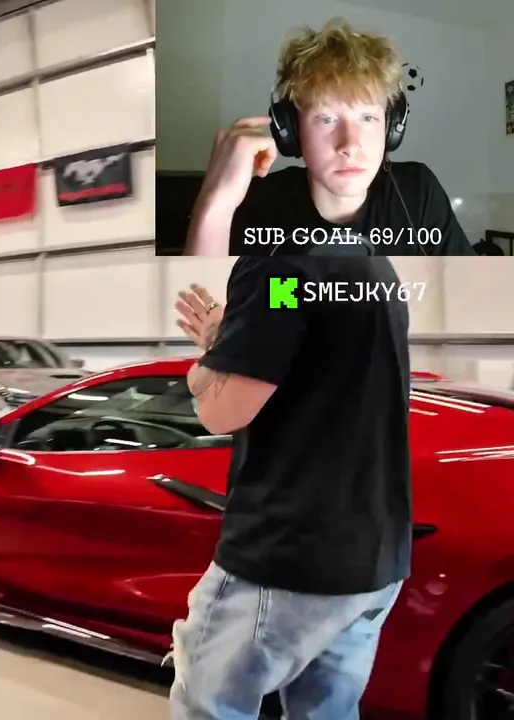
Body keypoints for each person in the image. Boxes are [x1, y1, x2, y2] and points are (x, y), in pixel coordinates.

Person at [167, 268, 412, 719]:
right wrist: (230, 337)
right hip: (375, 554)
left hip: (287, 555)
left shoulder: (277, 267)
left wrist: (206, 365)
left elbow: (220, 412)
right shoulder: (369, 268)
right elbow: (306, 350)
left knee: (211, 706)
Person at [184, 18, 475, 256]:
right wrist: (215, 206)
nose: (350, 145)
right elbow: (203, 307)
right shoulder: (259, 203)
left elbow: (473, 296)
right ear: (291, 129)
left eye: (367, 118)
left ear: (392, 127)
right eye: (326, 119)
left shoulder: (418, 192)